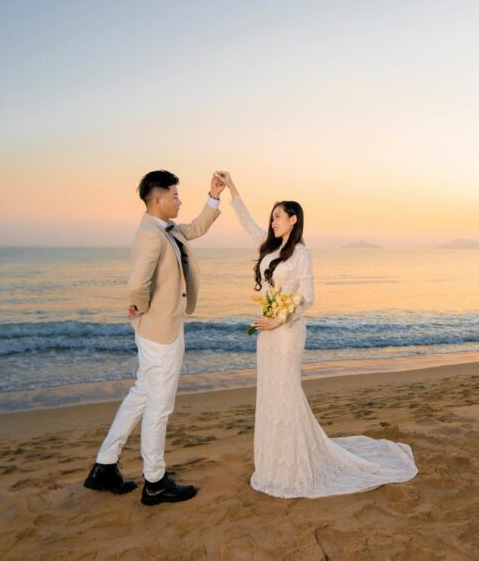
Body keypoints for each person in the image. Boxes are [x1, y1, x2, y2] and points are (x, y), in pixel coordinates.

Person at [217, 171, 418, 498]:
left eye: (278, 216)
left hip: (287, 333)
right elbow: (246, 221)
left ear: (293, 220)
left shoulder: (302, 254)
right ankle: (273, 465)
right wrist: (232, 189)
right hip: (266, 335)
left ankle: (294, 468)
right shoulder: (268, 247)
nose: (272, 221)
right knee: (270, 396)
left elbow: (308, 298)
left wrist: (280, 319)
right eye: (272, 217)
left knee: (286, 395)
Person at [83, 169, 225, 506]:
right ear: (158, 199)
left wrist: (214, 196)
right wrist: (144, 312)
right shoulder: (150, 236)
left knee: (142, 395)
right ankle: (156, 482)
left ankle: (104, 465)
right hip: (160, 333)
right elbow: (137, 284)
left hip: (157, 331)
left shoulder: (168, 229)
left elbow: (197, 227)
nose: (179, 201)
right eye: (175, 196)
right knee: (159, 407)